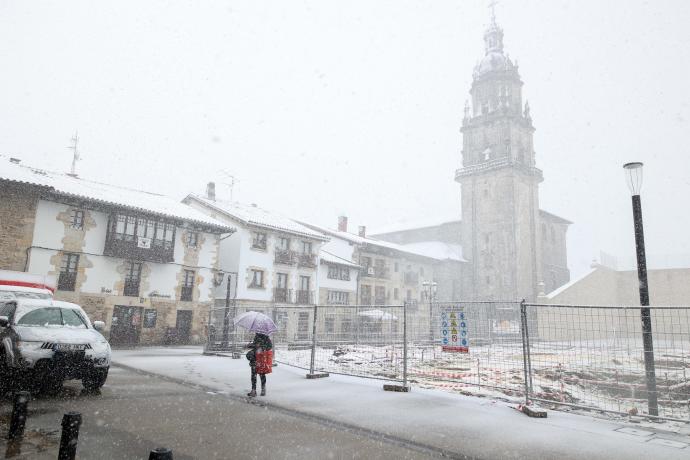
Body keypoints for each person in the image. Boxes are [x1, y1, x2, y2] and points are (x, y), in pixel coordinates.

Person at [245, 332, 273, 397]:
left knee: (260, 374)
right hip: (256, 358)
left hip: (261, 358)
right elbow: (255, 346)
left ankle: (261, 390)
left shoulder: (266, 337)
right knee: (255, 375)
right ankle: (254, 390)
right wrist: (250, 345)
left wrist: (261, 347)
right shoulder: (257, 336)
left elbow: (269, 347)